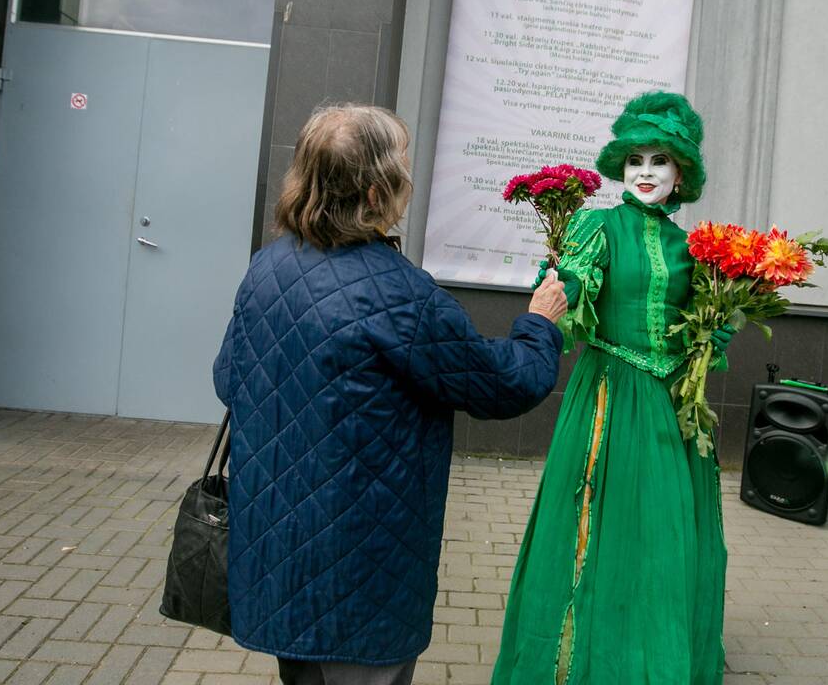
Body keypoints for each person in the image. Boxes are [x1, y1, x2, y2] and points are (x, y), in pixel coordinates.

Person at [213, 104, 568, 685]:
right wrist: (540, 323)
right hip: (360, 564)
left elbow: (228, 378)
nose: (410, 174)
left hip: (279, 546)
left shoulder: (268, 266)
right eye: (403, 163)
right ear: (377, 194)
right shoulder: (401, 295)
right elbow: (504, 383)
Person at [491, 91, 735, 684]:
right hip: (608, 394)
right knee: (597, 522)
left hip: (670, 406)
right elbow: (573, 285)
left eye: (660, 162)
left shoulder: (693, 248)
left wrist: (716, 325)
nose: (646, 173)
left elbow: (701, 328)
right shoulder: (596, 226)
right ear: (621, 167)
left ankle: (651, 649)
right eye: (636, 161)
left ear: (682, 175)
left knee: (662, 531)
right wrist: (559, 282)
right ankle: (579, 658)